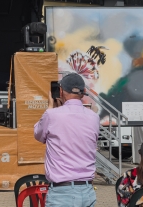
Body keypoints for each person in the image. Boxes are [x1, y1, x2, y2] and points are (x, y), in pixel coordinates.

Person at [34, 72, 99, 207]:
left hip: (61, 193)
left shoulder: (51, 115)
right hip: (87, 191)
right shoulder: (94, 117)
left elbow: (38, 135)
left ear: (61, 91)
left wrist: (50, 107)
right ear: (84, 92)